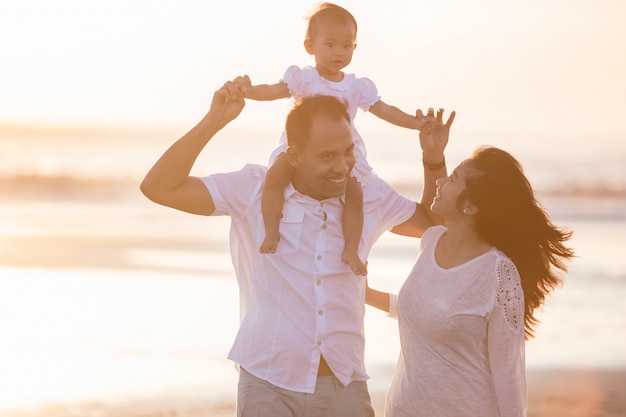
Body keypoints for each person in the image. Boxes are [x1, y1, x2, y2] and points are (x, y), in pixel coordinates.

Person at [140, 75, 454, 417]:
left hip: (344, 387)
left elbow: (436, 224)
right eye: (327, 156)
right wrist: (213, 121)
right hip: (267, 385)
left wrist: (434, 159)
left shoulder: (370, 195)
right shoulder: (253, 190)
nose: (342, 166)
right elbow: (159, 187)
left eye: (348, 151)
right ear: (293, 155)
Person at [366, 146, 575, 417]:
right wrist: (365, 293)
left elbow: (508, 373)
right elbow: (423, 313)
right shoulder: (431, 241)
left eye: (452, 178)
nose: (439, 183)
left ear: (471, 205)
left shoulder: (500, 273)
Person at [243, 2, 430, 275]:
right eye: (330, 45)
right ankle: (272, 231)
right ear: (310, 46)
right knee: (276, 176)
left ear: (355, 47)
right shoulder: (304, 79)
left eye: (346, 45)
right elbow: (273, 90)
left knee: (354, 192)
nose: (338, 52)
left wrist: (414, 123)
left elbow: (383, 109)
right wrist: (247, 92)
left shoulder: (355, 86)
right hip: (303, 146)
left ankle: (351, 248)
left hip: (341, 150)